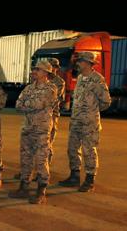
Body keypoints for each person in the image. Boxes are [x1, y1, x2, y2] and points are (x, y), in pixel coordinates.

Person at [59, 52, 111, 192]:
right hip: (76, 121)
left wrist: (91, 112)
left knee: (89, 151)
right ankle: (74, 177)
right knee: (72, 149)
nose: (78, 63)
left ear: (88, 63)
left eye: (80, 61)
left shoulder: (98, 80)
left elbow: (106, 102)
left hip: (89, 123)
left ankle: (90, 180)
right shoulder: (80, 78)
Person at [9, 61, 57, 204]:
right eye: (34, 69)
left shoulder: (51, 88)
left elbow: (38, 104)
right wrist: (28, 104)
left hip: (41, 130)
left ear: (46, 73)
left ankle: (41, 191)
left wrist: (27, 104)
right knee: (25, 159)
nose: (34, 72)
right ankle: (24, 187)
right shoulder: (29, 88)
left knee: (41, 160)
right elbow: (18, 104)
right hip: (27, 128)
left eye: (38, 69)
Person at [48, 58, 65, 165]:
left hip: (51, 115)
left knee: (47, 142)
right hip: (38, 115)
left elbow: (54, 99)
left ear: (56, 68)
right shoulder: (41, 79)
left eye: (53, 67)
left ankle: (45, 169)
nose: (51, 69)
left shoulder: (59, 82)